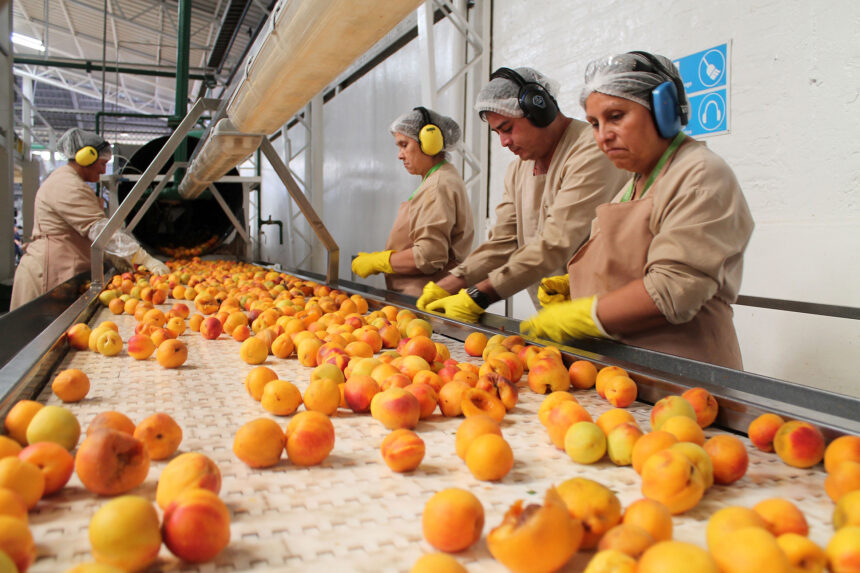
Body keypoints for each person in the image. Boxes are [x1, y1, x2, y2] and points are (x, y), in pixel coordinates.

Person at [521, 51, 754, 369]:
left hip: (689, 374)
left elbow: (673, 290)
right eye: (594, 123)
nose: (603, 136)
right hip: (633, 372)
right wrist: (577, 288)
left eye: (616, 116)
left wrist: (583, 314)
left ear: (663, 110)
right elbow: (627, 269)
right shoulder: (631, 186)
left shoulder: (700, 174)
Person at [416, 67, 628, 322]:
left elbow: (556, 241)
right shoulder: (518, 169)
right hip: (556, 319)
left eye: (507, 128)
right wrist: (451, 282)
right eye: (497, 133)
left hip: (605, 317)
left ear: (541, 111)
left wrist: (481, 294)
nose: (504, 142)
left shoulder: (590, 151)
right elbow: (503, 242)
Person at [10, 128, 168, 310]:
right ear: (84, 157)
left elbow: (91, 230)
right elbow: (99, 228)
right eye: (102, 163)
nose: (103, 170)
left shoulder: (73, 182)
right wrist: (144, 258)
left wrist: (116, 256)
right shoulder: (66, 185)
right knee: (39, 331)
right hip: (48, 274)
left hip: (62, 270)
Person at [351, 107, 474, 297]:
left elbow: (429, 257)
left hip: (427, 301)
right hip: (420, 298)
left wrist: (380, 261)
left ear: (429, 143)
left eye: (404, 145)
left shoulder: (437, 186)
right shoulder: (438, 178)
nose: (400, 155)